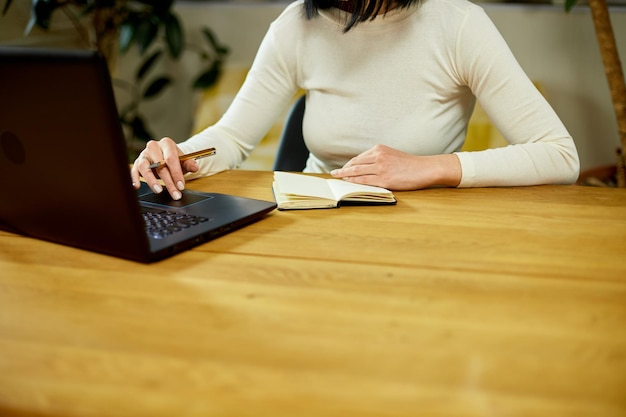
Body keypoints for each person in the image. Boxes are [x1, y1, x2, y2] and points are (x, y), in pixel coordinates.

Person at [131, 0, 580, 201]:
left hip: (428, 227)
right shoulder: (297, 26)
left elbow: (560, 156)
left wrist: (429, 167)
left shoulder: (459, 24)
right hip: (315, 219)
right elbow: (231, 137)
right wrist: (180, 155)